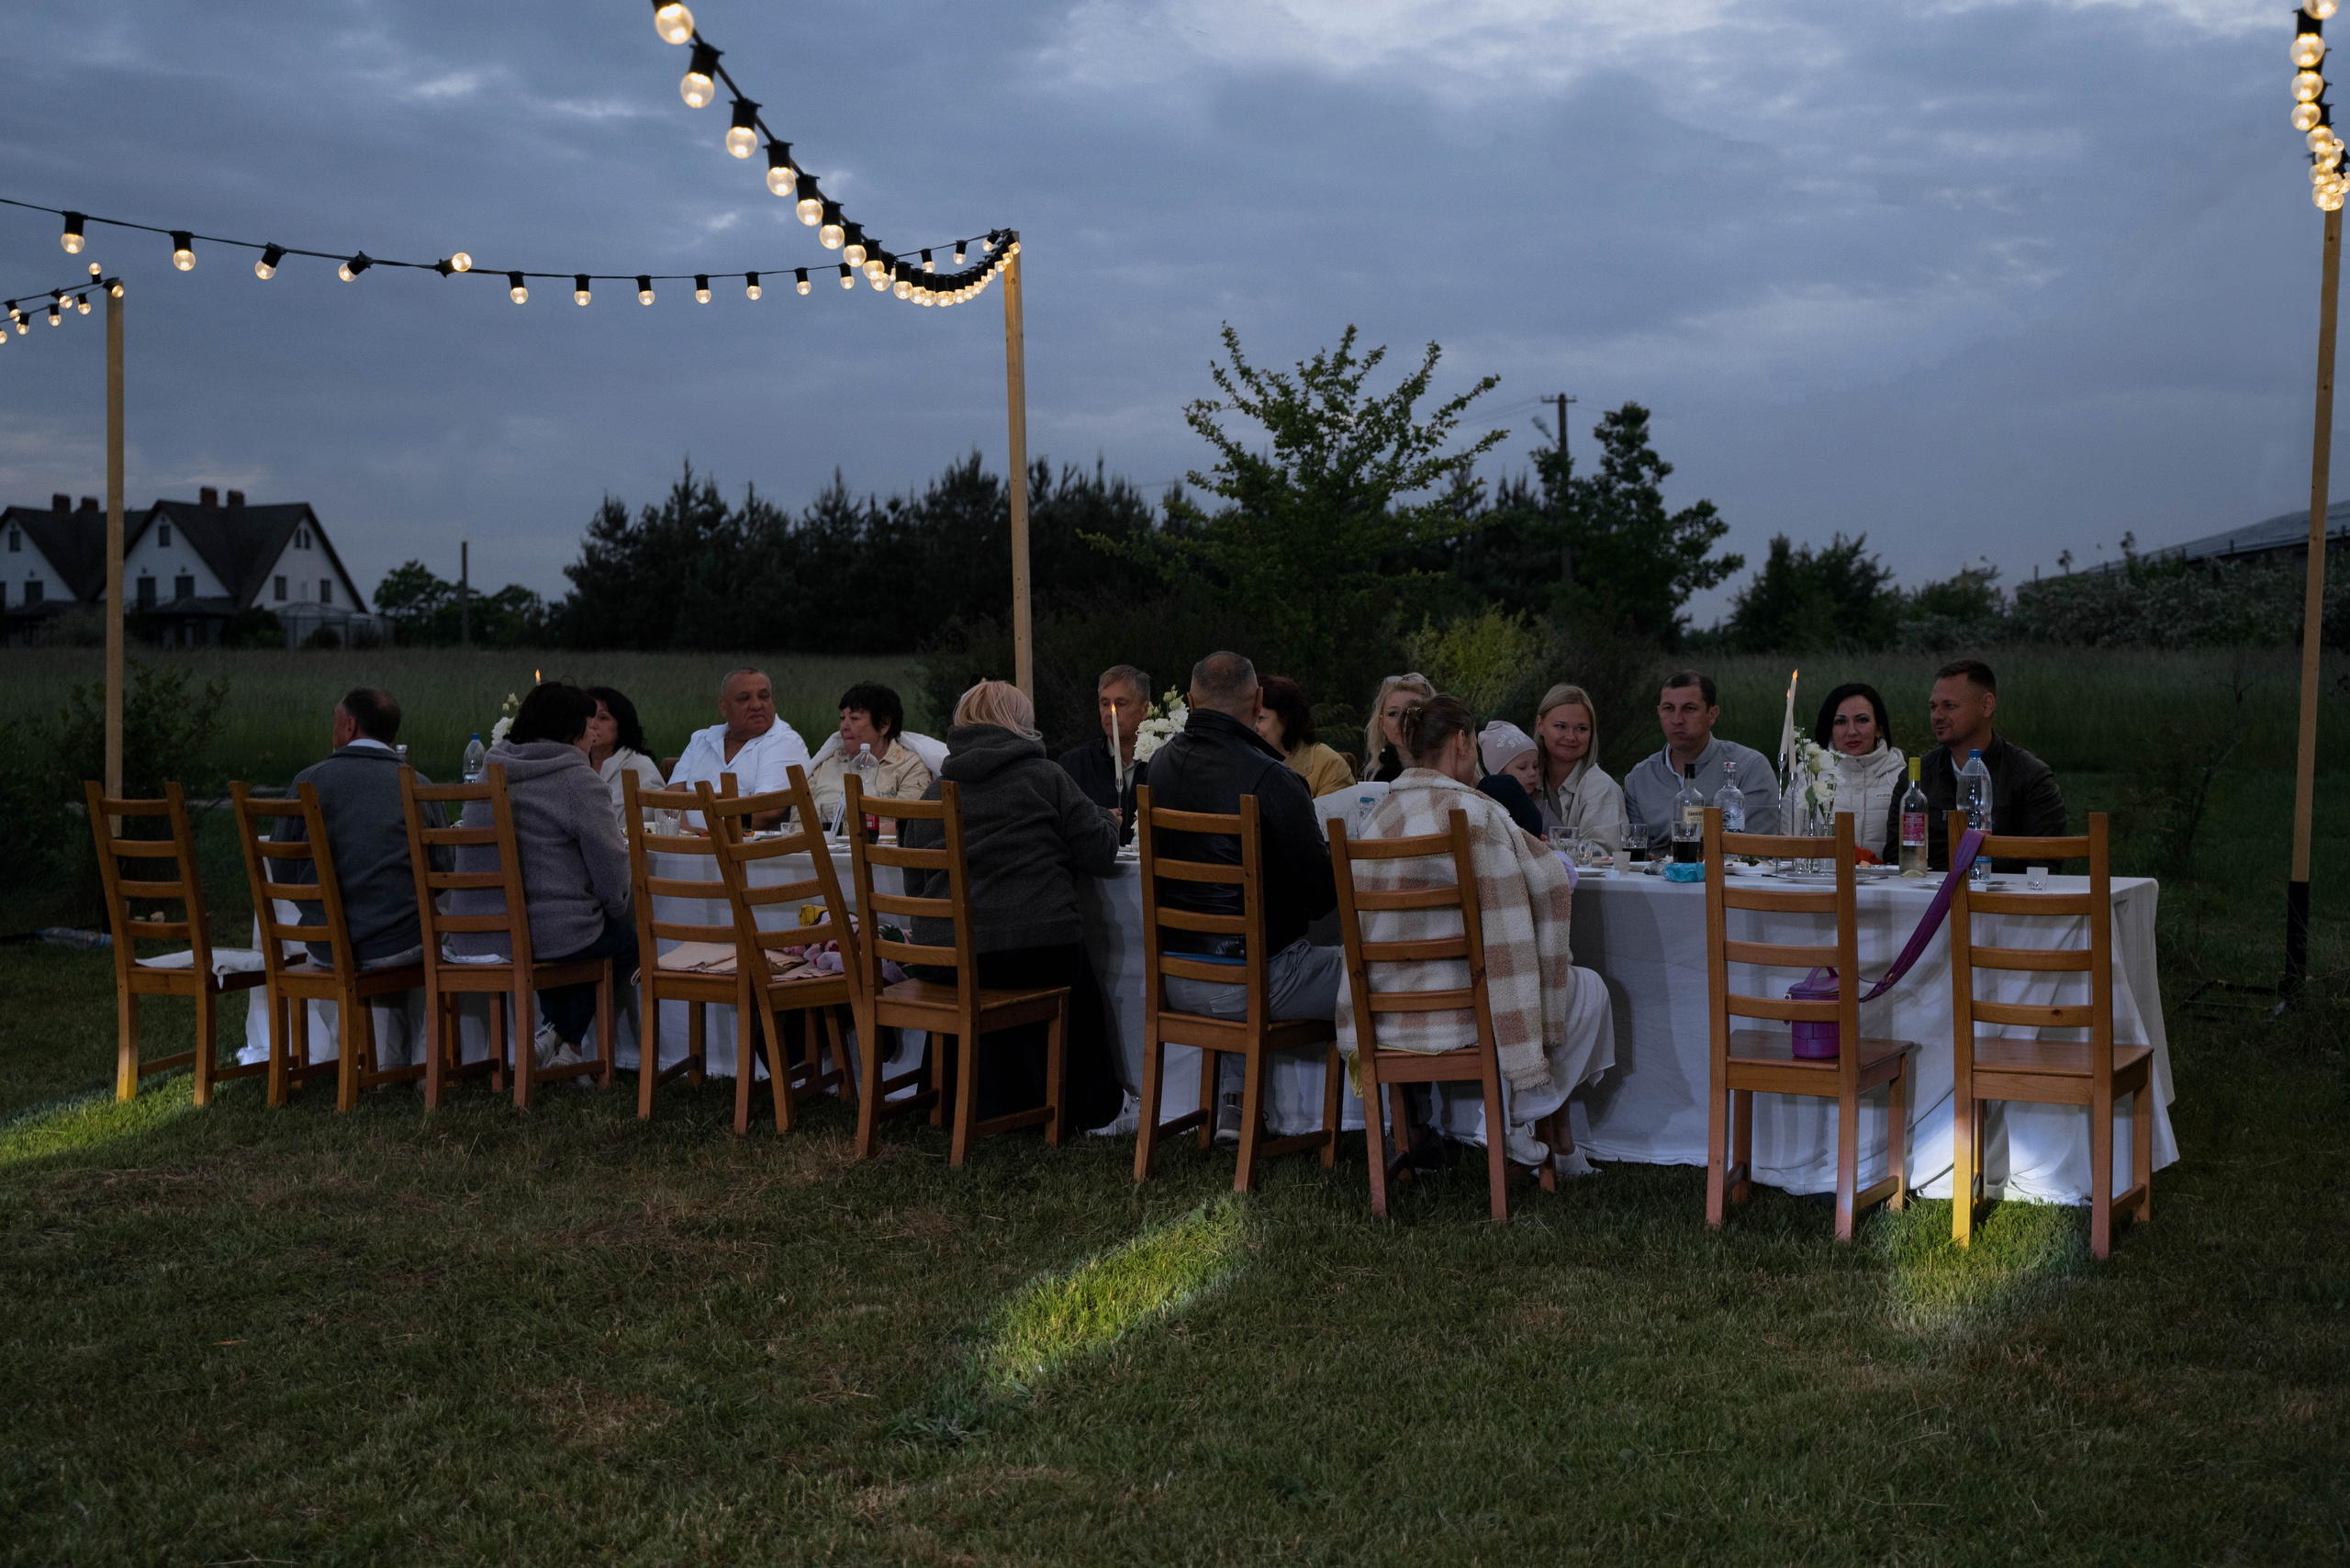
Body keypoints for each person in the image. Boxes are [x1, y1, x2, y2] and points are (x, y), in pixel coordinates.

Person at [1340, 693, 1615, 1177]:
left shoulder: (1376, 817)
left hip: (1385, 1010)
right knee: (1587, 988)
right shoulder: (1478, 816)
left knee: (1564, 986)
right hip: (1462, 1008)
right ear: (1464, 741)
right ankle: (1512, 1119)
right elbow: (1523, 906)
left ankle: (1516, 1126)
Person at [901, 680, 1124, 1133]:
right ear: (1021, 725)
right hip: (1031, 951)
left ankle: (966, 1100)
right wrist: (1103, 817)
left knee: (1011, 956)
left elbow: (916, 883)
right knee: (1073, 960)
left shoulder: (938, 789)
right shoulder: (1045, 778)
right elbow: (1099, 854)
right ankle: (1088, 1104)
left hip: (948, 960)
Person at [1146, 651, 1341, 1143]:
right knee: (1379, 970)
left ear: (1190, 701)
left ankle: (1235, 1106)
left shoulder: (1159, 769)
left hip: (1177, 976)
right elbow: (1320, 900)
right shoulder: (1273, 779)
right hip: (1255, 981)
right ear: (1258, 702)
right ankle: (1413, 1128)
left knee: (1255, 953)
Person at [447, 682, 637, 1071]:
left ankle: (565, 1050)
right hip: (542, 937)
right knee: (620, 942)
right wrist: (615, 904)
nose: (594, 736)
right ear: (571, 732)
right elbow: (611, 875)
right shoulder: (576, 779)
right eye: (589, 727)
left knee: (572, 933)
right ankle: (558, 1036)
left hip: (474, 931)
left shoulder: (491, 766)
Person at [1887, 659, 2065, 871]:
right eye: (1933, 707)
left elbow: (2044, 861)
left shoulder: (2030, 776)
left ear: (1986, 705)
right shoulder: (1917, 779)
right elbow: (1894, 856)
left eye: (1949, 706)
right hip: (1927, 900)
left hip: (2003, 900)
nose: (1937, 716)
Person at [1622, 672, 1783, 850]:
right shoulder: (1640, 778)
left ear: (1712, 714)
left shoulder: (1750, 768)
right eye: (1668, 708)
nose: (1677, 720)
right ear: (1659, 712)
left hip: (1728, 875)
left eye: (1689, 709)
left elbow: (1758, 850)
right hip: (1655, 876)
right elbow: (1635, 854)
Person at [671, 668, 811, 830]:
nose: (757, 705)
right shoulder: (700, 740)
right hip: (686, 847)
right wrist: (685, 830)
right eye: (744, 699)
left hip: (753, 851)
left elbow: (765, 813)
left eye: (763, 696)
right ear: (724, 707)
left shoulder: (784, 742)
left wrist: (709, 836)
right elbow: (670, 800)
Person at [807, 681, 934, 826]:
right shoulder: (827, 765)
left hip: (881, 848)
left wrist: (853, 839)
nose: (844, 727)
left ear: (883, 724)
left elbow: (907, 826)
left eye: (854, 718)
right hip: (820, 848)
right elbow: (800, 821)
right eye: (842, 719)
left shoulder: (910, 766)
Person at [1812, 681, 1906, 855]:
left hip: (1889, 882)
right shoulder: (1809, 776)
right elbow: (1787, 843)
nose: (1852, 731)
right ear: (1830, 731)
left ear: (1879, 729)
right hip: (1822, 881)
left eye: (1862, 720)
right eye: (1840, 722)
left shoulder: (1903, 778)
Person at [1529, 683, 1629, 846]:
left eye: (1581, 729)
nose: (1571, 737)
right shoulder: (1523, 781)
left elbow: (1603, 855)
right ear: (1540, 725)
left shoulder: (1602, 789)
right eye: (1561, 726)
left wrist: (1546, 852)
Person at [1058, 664, 1151, 834]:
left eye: (1120, 703)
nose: (1110, 712)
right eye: (1105, 703)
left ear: (1144, 709)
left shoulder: (1159, 762)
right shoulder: (1075, 765)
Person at [1255, 674, 1355, 801]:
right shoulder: (1240, 762)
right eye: (1249, 718)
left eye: (1260, 718)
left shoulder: (1328, 765)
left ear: (1286, 718)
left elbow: (1332, 818)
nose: (1252, 727)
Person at [584, 685, 665, 828]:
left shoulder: (641, 768)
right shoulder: (574, 762)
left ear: (621, 726)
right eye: (588, 716)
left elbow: (652, 825)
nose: (592, 724)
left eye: (603, 718)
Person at [1471, 721, 1548, 839]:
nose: (1533, 773)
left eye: (1536, 766)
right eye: (1522, 767)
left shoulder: (1540, 800)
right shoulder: (1490, 810)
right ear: (1499, 774)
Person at [1360, 672, 1436, 782]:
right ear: (1382, 723)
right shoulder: (1374, 777)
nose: (1404, 722)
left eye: (1412, 711)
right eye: (1393, 714)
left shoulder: (1449, 769)